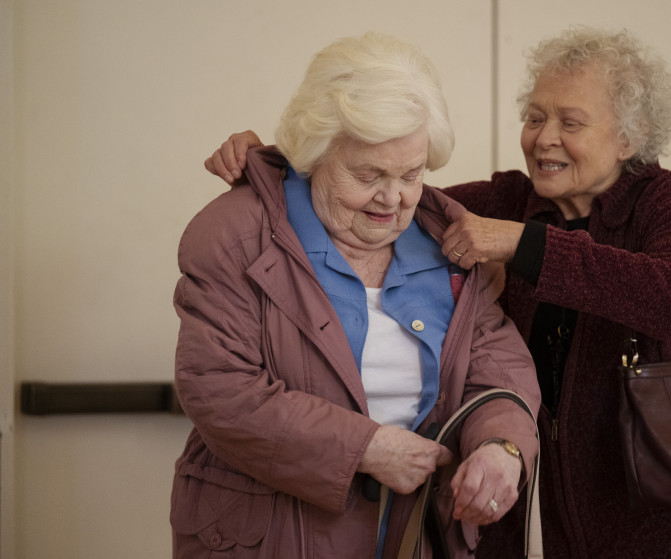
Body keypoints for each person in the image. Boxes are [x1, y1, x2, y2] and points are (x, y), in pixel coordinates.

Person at [204, 26, 671, 558]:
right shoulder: (509, 199)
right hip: (559, 521)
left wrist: (523, 244)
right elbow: (379, 177)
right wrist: (273, 165)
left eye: (570, 123)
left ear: (630, 136)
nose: (544, 137)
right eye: (534, 117)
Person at [173, 32, 541, 559]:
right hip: (273, 537)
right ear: (315, 154)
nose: (392, 198)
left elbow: (498, 368)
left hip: (411, 537)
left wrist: (501, 446)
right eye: (368, 174)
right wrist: (366, 448)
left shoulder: (448, 241)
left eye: (411, 174)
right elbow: (219, 388)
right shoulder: (233, 235)